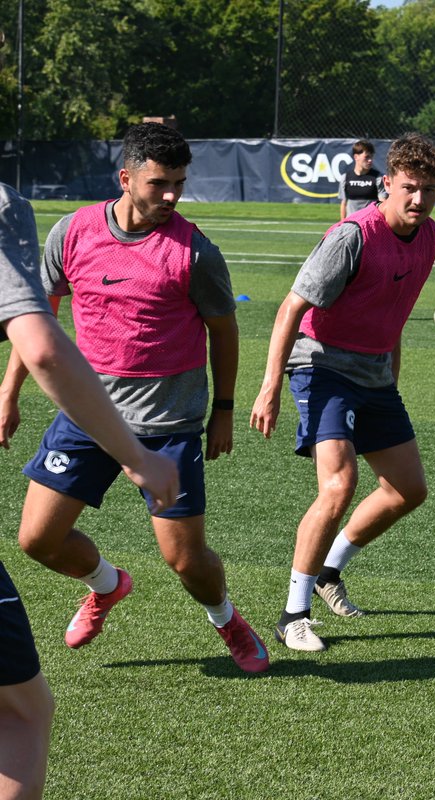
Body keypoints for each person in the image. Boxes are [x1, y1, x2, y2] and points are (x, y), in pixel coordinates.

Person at [0, 123, 269, 676]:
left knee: (184, 560)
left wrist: (222, 412)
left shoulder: (196, 253)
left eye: (179, 183)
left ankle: (228, 620)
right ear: (126, 178)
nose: (171, 195)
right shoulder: (72, 232)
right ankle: (106, 585)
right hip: (86, 416)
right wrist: (9, 393)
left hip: (169, 424)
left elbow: (224, 330)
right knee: (37, 540)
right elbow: (37, 319)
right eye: (158, 183)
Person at [0, 182, 179, 800]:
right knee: (22, 713)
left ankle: (128, 590)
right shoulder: (6, 207)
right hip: (103, 423)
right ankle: (108, 583)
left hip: (168, 408)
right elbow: (44, 345)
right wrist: (136, 458)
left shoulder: (190, 248)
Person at [249, 134, 435, 653]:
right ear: (387, 183)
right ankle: (293, 614)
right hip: (321, 366)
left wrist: (391, 380)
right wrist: (269, 386)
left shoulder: (431, 237)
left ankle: (329, 569)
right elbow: (291, 308)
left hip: (375, 375)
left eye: (428, 190)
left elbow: (394, 315)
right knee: (338, 486)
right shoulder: (352, 236)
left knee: (408, 490)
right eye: (408, 187)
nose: (418, 200)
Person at [338, 140, 386, 220]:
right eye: (367, 157)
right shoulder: (345, 178)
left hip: (370, 223)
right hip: (351, 225)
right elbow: (344, 203)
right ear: (356, 157)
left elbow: (383, 203)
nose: (370, 160)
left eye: (371, 157)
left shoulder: (377, 178)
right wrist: (342, 223)